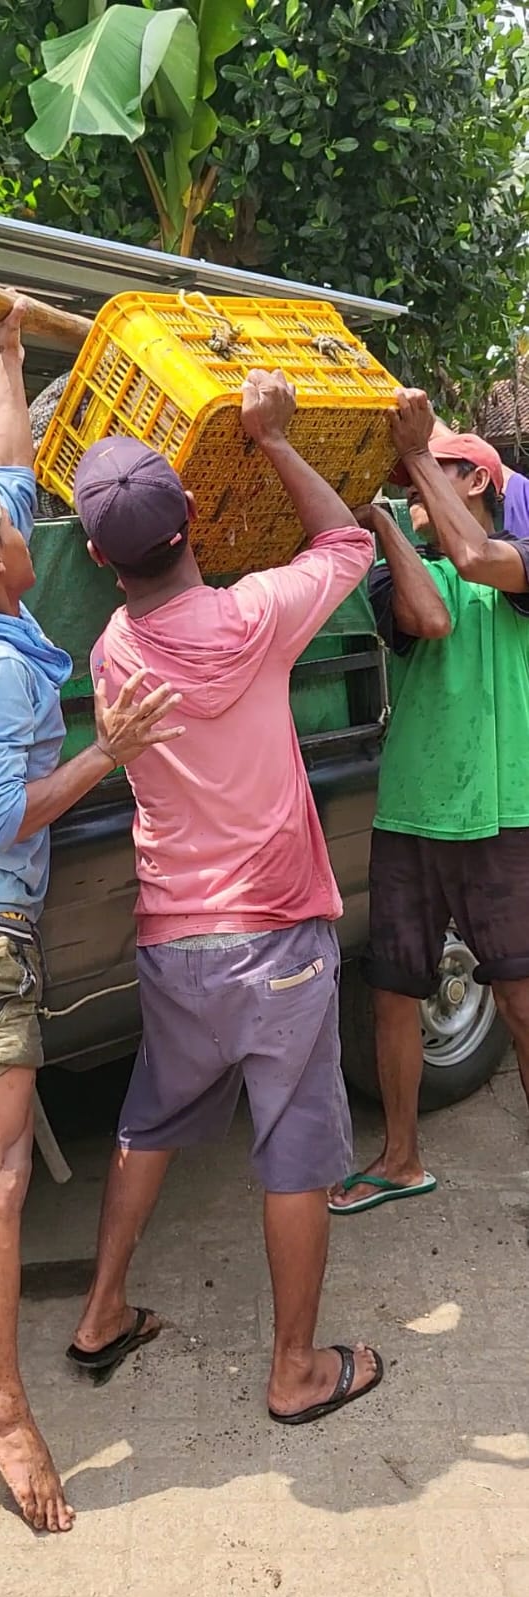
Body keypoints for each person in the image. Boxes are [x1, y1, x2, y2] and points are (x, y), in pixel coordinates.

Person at [0, 301, 183, 1533]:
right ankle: (1, 1405)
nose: (18, 518)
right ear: (0, 565)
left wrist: (8, 357)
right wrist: (105, 753)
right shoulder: (6, 667)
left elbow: (2, 476)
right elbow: (5, 817)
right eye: (9, 529)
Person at [67, 369, 384, 1425]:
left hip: (172, 940)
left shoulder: (110, 654)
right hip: (275, 939)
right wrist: (273, 439)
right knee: (293, 1144)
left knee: (149, 1123)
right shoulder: (254, 620)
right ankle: (294, 1371)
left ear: (100, 560)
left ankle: (101, 1308)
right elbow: (345, 545)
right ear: (197, 512)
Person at [329, 393, 529, 1215]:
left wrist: (410, 459)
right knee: (392, 991)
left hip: (503, 811)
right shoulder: (393, 571)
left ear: (473, 478)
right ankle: (400, 1156)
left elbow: (479, 561)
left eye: (431, 467)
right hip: (411, 810)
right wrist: (381, 522)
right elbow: (431, 617)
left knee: (519, 998)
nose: (412, 484)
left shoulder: (515, 555)